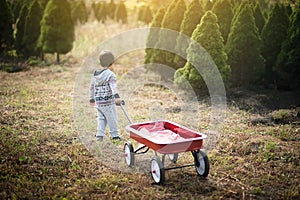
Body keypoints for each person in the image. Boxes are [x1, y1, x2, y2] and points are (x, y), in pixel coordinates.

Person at [89, 50, 122, 141]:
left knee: (101, 118)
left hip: (98, 101)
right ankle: (115, 135)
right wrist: (116, 97)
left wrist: (91, 99)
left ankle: (99, 135)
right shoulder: (110, 75)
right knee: (112, 117)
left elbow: (92, 87)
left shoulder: (95, 74)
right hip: (108, 102)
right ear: (111, 62)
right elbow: (113, 87)